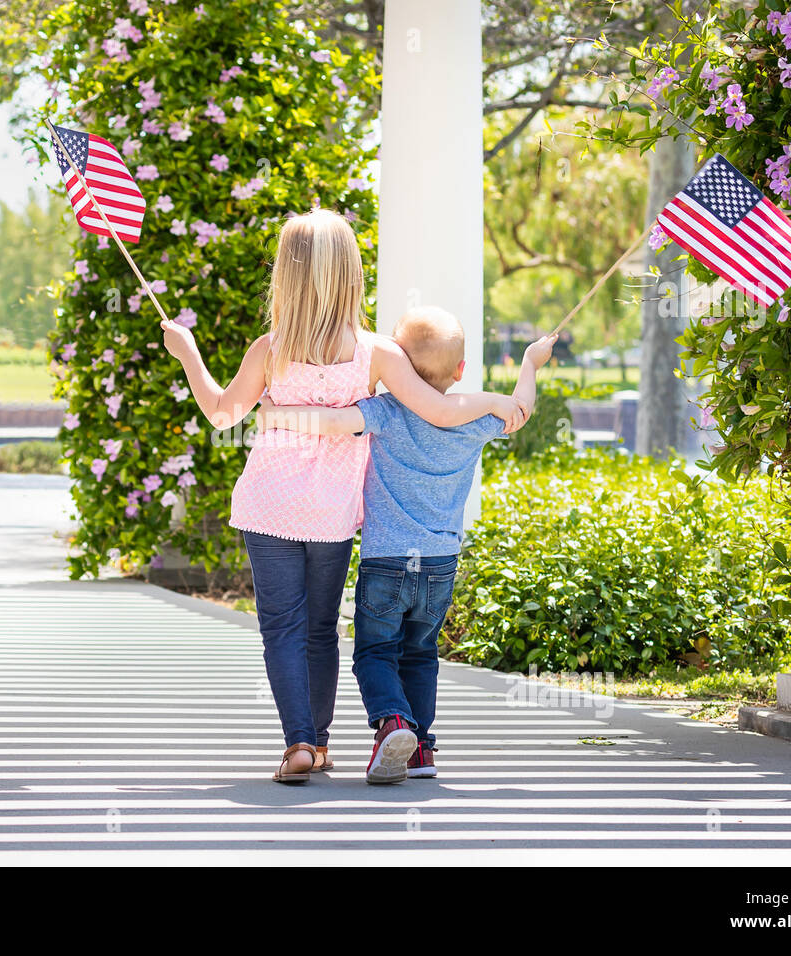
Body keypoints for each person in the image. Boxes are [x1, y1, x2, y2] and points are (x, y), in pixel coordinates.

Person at [161, 210, 530, 784]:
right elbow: (434, 409)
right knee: (320, 629)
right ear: (351, 275)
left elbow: (222, 413)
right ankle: (326, 742)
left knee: (280, 628)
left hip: (268, 506)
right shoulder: (377, 352)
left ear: (286, 275)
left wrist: (188, 352)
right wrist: (496, 401)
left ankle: (300, 744)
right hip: (331, 514)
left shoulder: (270, 349)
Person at [257, 307, 557, 783]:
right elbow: (521, 410)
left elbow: (332, 424)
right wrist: (529, 364)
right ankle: (422, 752)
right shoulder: (478, 419)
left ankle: (393, 721)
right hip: (440, 564)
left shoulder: (388, 411)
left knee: (375, 653)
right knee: (421, 652)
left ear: (398, 371)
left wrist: (278, 414)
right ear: (459, 371)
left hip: (386, 563)